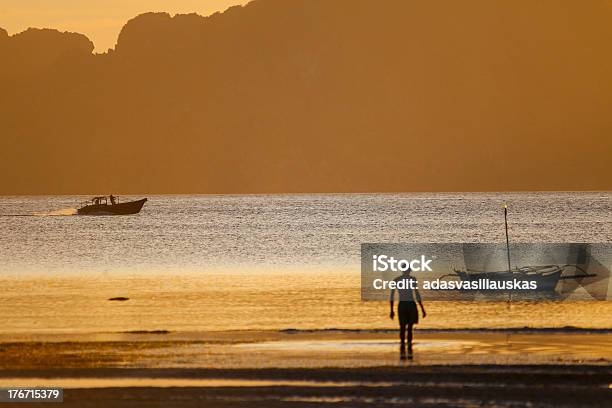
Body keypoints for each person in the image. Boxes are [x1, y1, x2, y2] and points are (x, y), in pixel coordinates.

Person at [389, 267, 426, 359]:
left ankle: (404, 344)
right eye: (409, 270)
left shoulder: (397, 280)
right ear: (408, 271)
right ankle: (406, 344)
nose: (409, 272)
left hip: (403, 305)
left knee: (404, 326)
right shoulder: (411, 279)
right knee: (408, 327)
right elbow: (416, 294)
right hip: (409, 304)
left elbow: (392, 296)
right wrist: (422, 308)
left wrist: (391, 310)